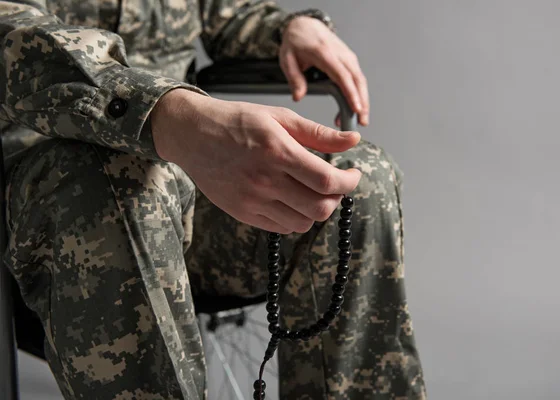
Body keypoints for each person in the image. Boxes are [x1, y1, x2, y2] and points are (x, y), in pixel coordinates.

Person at [0, 1, 426, 399]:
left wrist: (286, 28)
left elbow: (226, 12)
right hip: (33, 198)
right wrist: (170, 116)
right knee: (117, 179)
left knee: (355, 179)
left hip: (188, 181)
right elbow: (11, 37)